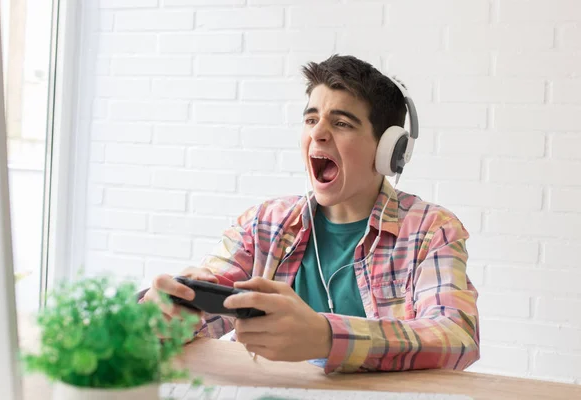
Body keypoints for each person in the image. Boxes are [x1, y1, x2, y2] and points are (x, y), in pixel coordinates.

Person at [139, 54, 480, 374]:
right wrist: (169, 316)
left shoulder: (431, 230)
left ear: (388, 151)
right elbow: (208, 312)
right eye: (311, 119)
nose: (317, 132)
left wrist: (326, 337)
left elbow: (455, 337)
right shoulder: (265, 223)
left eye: (342, 123)